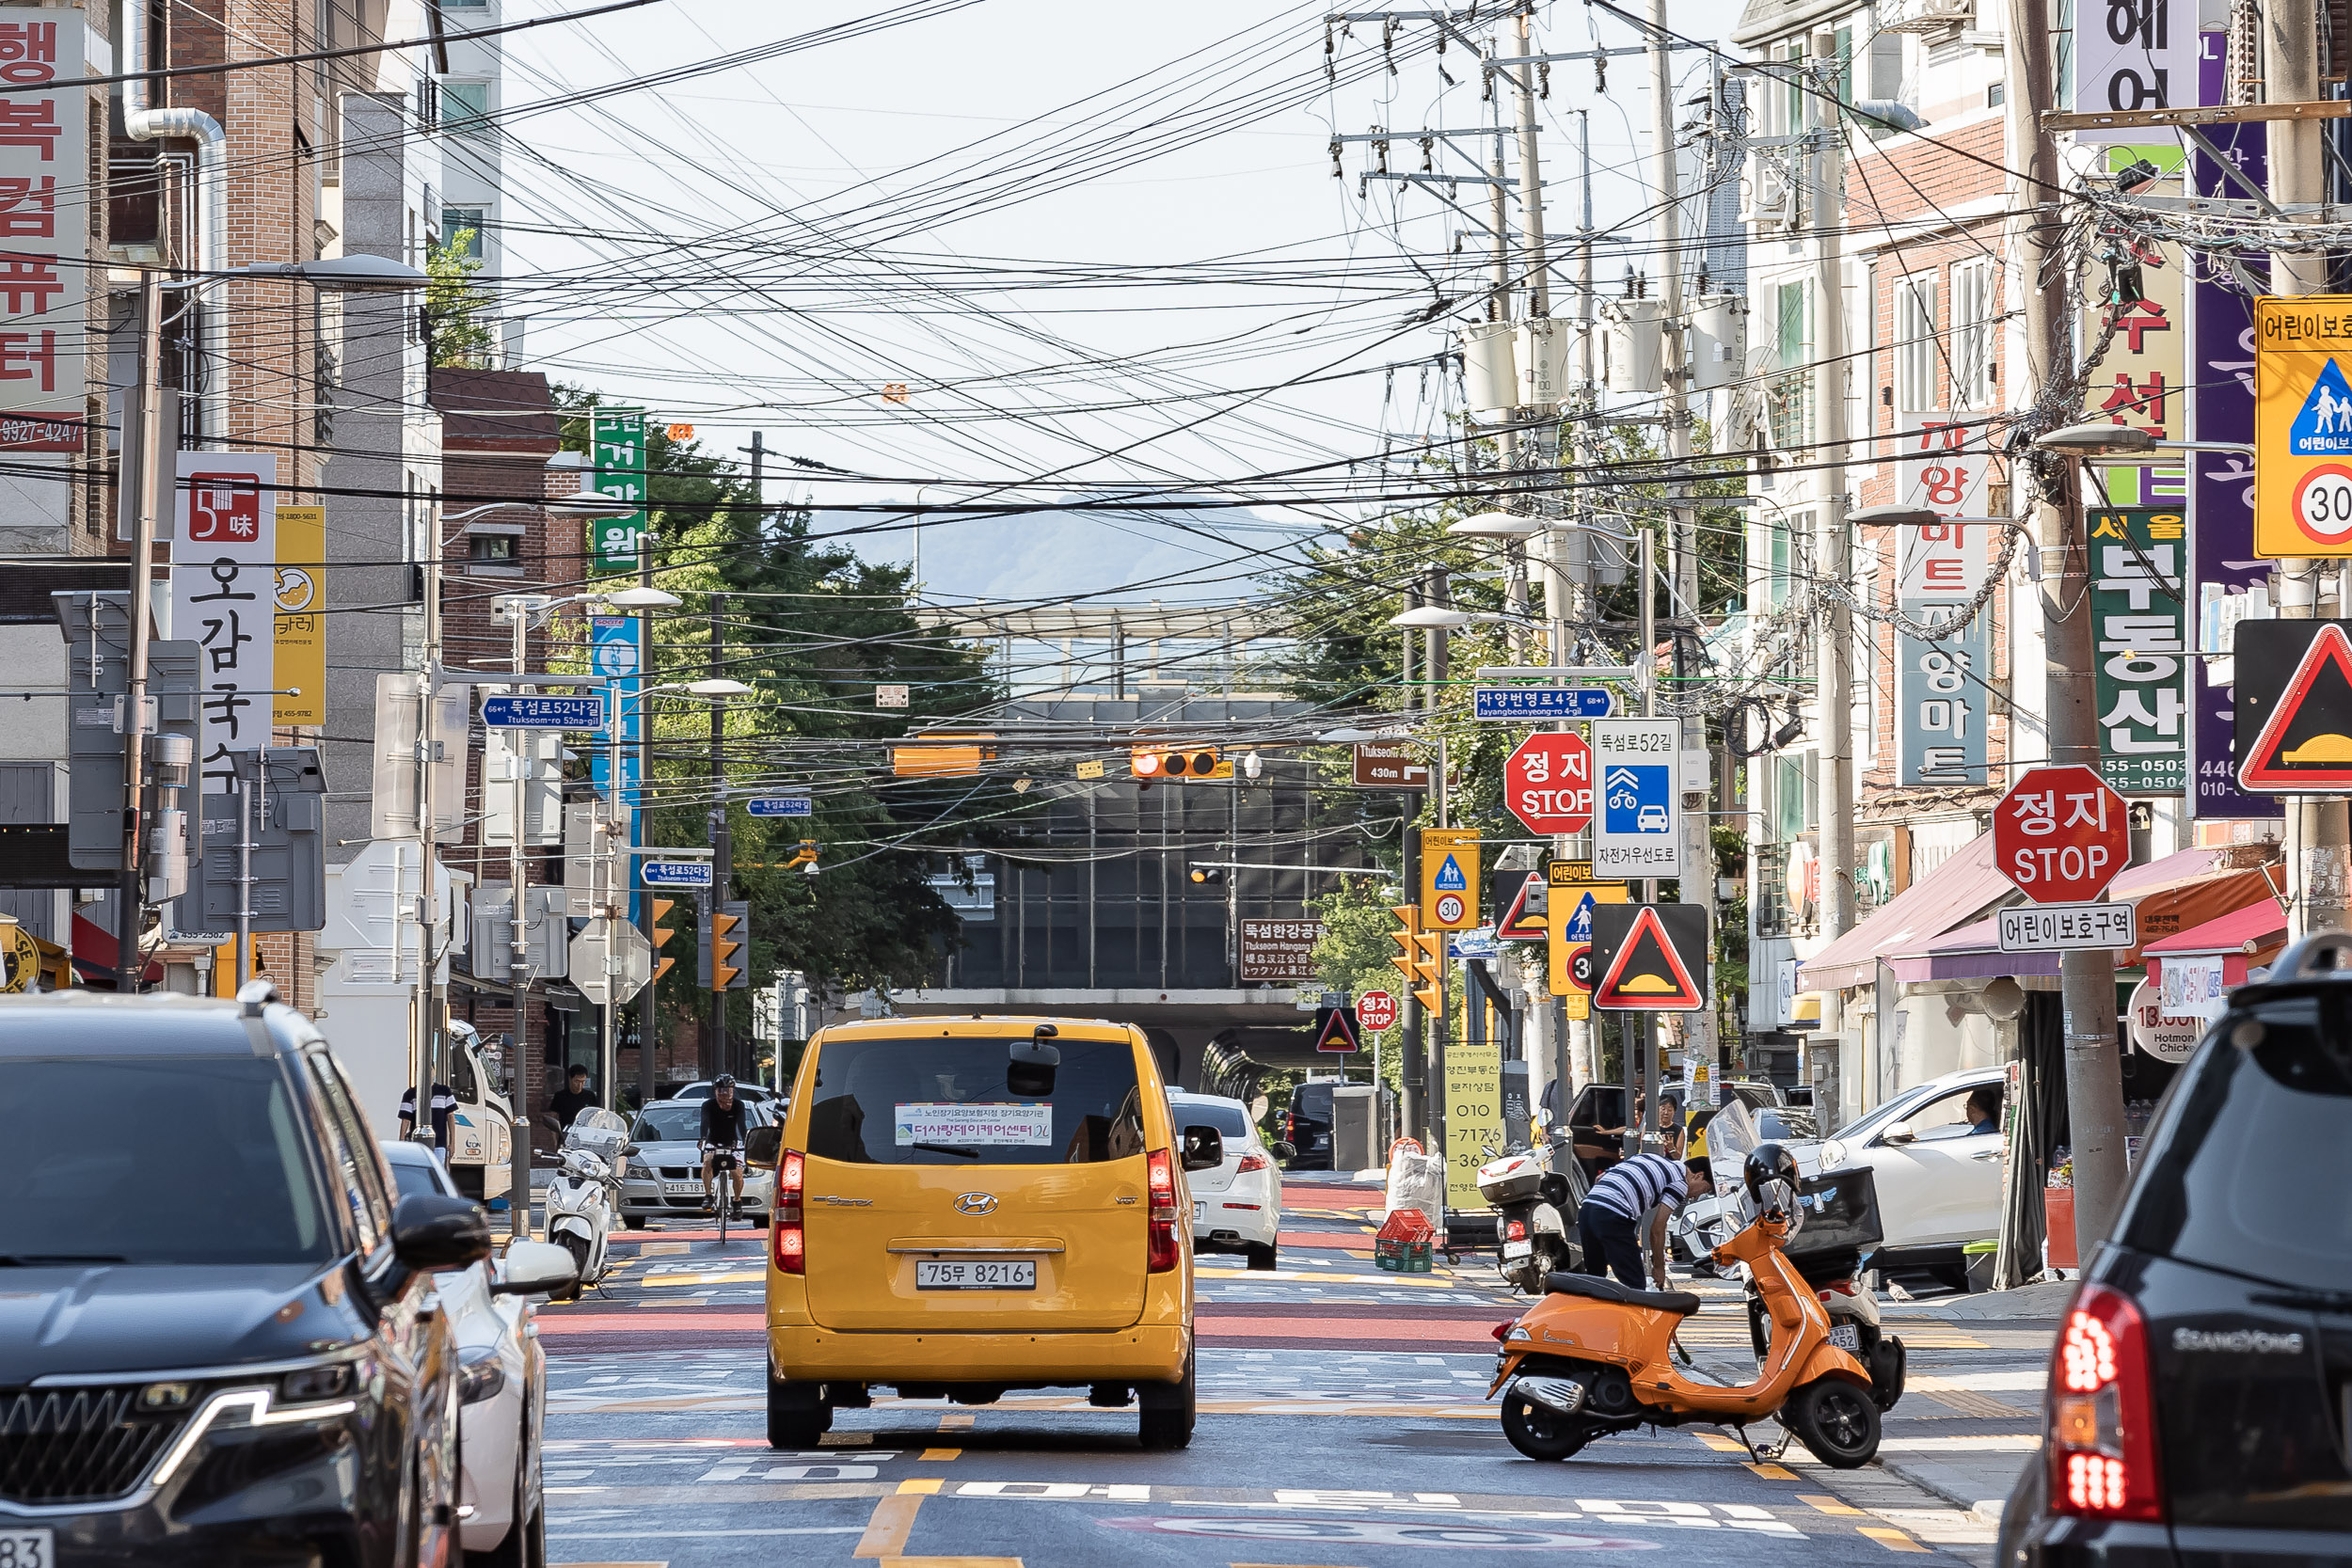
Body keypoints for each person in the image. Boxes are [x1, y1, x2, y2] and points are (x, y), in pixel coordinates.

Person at [1578, 1123, 1691, 1291]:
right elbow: (1657, 1229)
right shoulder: (1680, 1182)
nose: (1695, 1196)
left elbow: (1600, 1179)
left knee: (1596, 1279)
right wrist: (1659, 1268)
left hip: (1588, 1208)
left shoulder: (1645, 1158)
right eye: (1704, 1189)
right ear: (1698, 1176)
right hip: (1612, 1215)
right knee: (1634, 1283)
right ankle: (1632, 1317)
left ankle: (1593, 1316)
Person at [699, 1073, 750, 1216]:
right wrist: (703, 1139)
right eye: (720, 1091)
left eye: (728, 1091)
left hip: (732, 1141)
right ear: (715, 1091)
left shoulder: (739, 1105)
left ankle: (737, 1200)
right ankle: (708, 1194)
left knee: (737, 1173)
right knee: (707, 1161)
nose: (724, 1095)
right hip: (713, 1140)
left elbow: (741, 1124)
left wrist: (745, 1141)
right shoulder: (708, 1105)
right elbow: (705, 1122)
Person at [398, 1082, 455, 1148]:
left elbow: (450, 1116)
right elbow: (405, 1120)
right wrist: (401, 1142)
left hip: (439, 1144)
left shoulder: (444, 1091)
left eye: (431, 1070)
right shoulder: (410, 1093)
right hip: (417, 1144)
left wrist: (452, 1143)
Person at [547, 1066, 598, 1137]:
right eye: (577, 1081)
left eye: (583, 1082)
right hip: (566, 1136)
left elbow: (596, 1117)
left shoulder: (590, 1096)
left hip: (585, 1136)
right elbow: (554, 1117)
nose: (580, 1085)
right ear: (570, 1079)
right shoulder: (560, 1096)